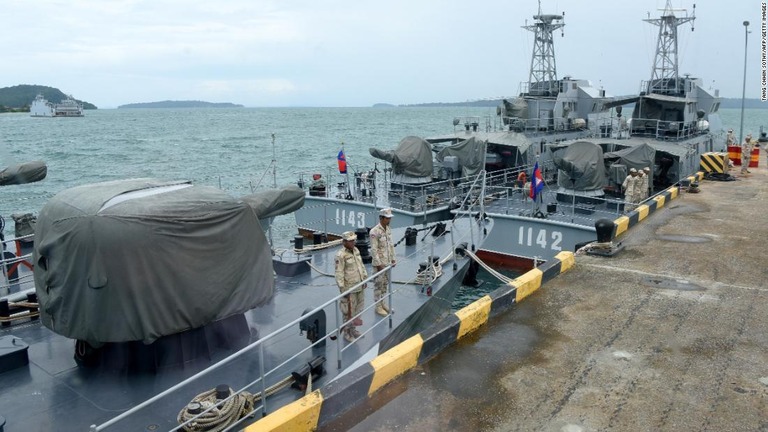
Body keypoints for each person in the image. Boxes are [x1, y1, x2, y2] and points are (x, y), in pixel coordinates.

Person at [335, 231, 368, 342]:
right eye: (350, 241)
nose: (353, 242)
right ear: (344, 242)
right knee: (348, 312)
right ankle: (347, 333)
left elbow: (361, 265)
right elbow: (339, 273)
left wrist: (364, 278)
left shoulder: (356, 250)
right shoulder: (341, 255)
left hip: (359, 286)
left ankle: (353, 329)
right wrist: (343, 290)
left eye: (354, 240)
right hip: (349, 289)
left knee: (358, 310)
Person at [369, 208, 396, 316]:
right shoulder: (374, 232)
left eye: (390, 218)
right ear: (381, 218)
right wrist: (378, 264)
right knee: (378, 285)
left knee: (385, 284)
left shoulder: (388, 229)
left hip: (388, 262)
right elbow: (374, 250)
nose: (389, 220)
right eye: (387, 218)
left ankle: (383, 303)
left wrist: (393, 258)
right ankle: (378, 307)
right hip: (380, 264)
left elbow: (391, 244)